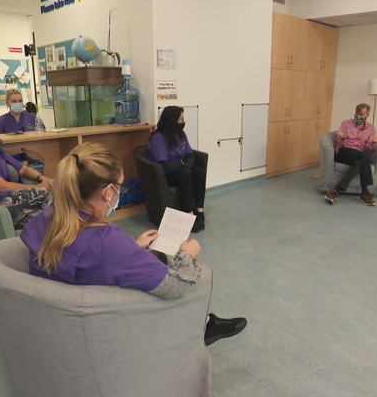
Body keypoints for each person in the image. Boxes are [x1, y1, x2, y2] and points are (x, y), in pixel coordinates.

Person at [20, 142, 246, 346]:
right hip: (106, 324)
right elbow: (176, 287)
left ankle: (204, 321)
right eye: (119, 187)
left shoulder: (47, 218)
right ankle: (203, 325)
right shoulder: (107, 241)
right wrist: (187, 253)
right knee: (189, 271)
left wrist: (134, 249)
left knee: (155, 256)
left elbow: (87, 259)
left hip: (63, 318)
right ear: (108, 192)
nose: (120, 192)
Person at [147, 105, 207, 232]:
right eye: (181, 119)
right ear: (172, 120)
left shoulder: (181, 135)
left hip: (181, 169)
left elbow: (190, 155)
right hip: (165, 174)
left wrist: (185, 166)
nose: (183, 122)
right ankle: (188, 215)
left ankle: (199, 211)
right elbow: (164, 164)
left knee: (199, 172)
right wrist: (183, 167)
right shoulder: (159, 138)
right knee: (185, 174)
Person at [324, 103, 377, 206]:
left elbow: (368, 149)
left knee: (359, 162)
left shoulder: (371, 129)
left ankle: (335, 191)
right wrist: (343, 139)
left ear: (367, 116)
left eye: (361, 115)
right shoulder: (346, 124)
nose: (358, 117)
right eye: (357, 114)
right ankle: (365, 193)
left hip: (360, 155)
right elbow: (339, 144)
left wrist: (373, 142)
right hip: (345, 152)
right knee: (365, 156)